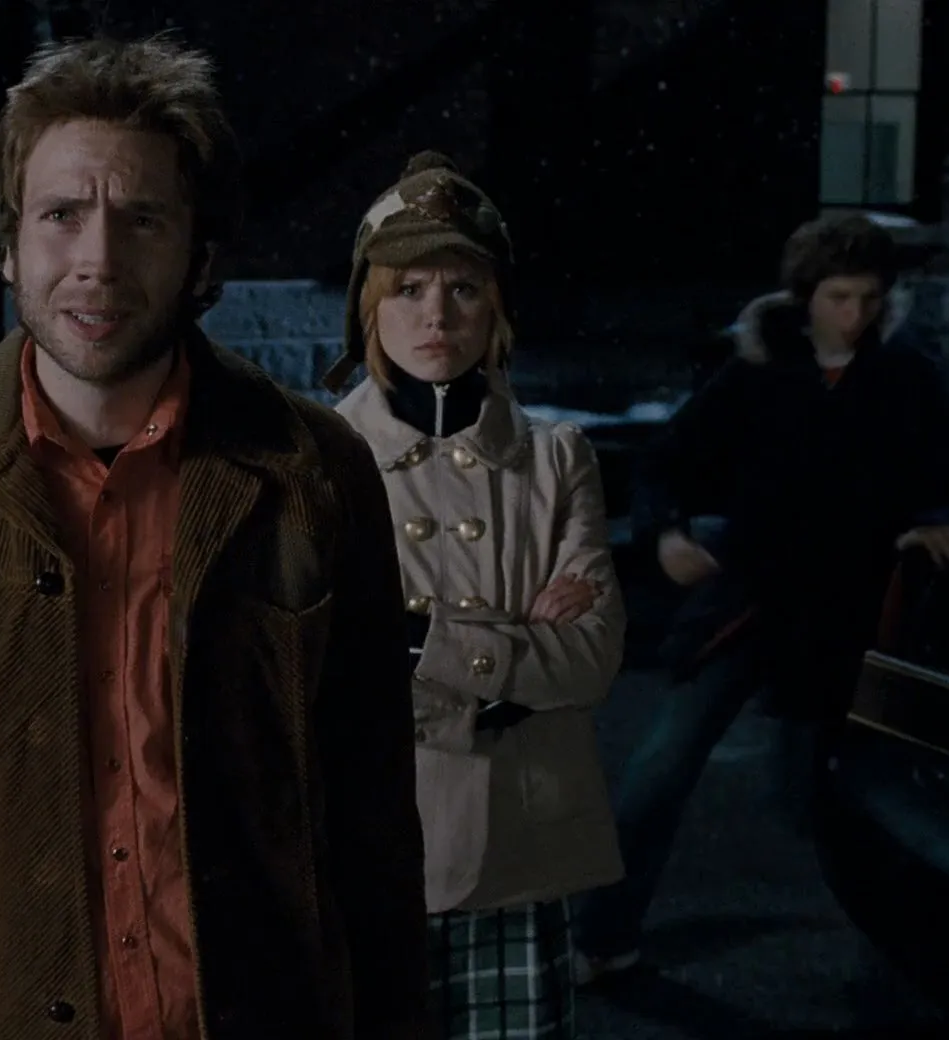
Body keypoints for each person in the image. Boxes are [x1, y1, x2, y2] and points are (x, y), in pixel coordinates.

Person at [0, 33, 432, 1040]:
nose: (98, 261)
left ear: (200, 253)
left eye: (143, 219)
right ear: (8, 243)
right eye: (62, 215)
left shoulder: (315, 468)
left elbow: (374, 806)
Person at [570, 212, 949, 983]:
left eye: (868, 298)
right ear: (805, 297)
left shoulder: (908, 376)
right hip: (750, 600)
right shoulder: (757, 373)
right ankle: (602, 934)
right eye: (838, 297)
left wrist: (935, 522)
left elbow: (947, 477)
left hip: (853, 611)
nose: (854, 315)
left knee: (860, 787)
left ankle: (916, 947)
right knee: (661, 766)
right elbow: (668, 461)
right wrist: (667, 534)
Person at [324, 151, 628, 1040]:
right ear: (369, 305)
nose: (436, 315)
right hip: (372, 834)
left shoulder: (556, 457)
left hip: (518, 839)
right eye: (409, 288)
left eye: (463, 287)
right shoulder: (321, 460)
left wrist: (419, 640)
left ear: (497, 305)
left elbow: (591, 658)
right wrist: (506, 662)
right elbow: (327, 667)